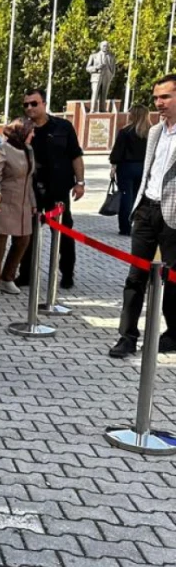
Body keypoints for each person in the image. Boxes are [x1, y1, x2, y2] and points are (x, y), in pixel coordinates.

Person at [110, 75, 176, 359]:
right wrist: (139, 206)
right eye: (156, 98)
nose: (158, 103)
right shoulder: (155, 132)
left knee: (172, 280)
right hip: (147, 209)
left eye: (165, 97)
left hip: (173, 215)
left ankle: (173, 333)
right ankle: (127, 336)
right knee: (135, 276)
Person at [17, 88, 85, 289]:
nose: (30, 107)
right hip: (30, 191)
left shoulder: (63, 127)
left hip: (58, 189)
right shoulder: (22, 128)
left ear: (44, 104)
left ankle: (67, 274)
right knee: (26, 235)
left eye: (34, 103)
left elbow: (76, 155)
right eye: (26, 104)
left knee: (64, 234)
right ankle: (25, 274)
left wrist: (80, 182)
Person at [0, 118, 37, 297]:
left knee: (23, 240)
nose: (33, 134)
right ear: (21, 132)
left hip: (23, 204)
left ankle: (8, 277)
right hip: (3, 202)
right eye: (31, 131)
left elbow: (29, 179)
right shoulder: (3, 149)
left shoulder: (28, 150)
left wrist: (33, 202)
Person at [109, 105, 150, 236]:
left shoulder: (125, 131)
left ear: (133, 115)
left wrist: (113, 166)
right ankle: (138, 225)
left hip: (126, 167)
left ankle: (125, 227)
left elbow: (117, 152)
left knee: (126, 196)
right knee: (139, 197)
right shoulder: (151, 132)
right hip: (144, 167)